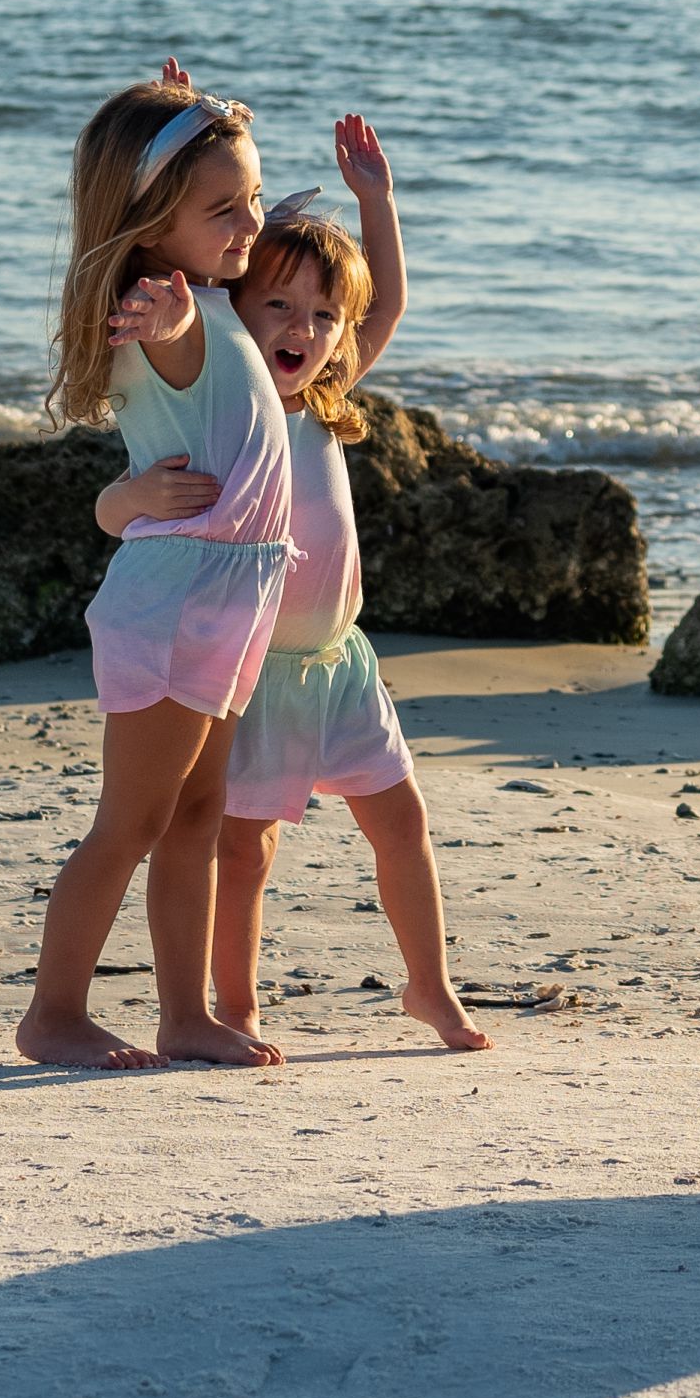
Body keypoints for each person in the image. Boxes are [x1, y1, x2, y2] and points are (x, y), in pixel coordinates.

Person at [12, 78, 299, 1072]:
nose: (251, 223)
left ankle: (186, 1015)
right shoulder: (165, 310)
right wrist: (168, 311)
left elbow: (210, 243)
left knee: (197, 814)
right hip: (179, 599)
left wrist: (195, 114)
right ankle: (54, 1012)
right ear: (150, 225)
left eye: (251, 197)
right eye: (225, 209)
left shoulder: (211, 293)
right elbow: (167, 329)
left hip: (229, 596)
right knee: (130, 820)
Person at [184, 148, 494, 1055]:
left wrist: (376, 199)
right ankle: (237, 1004)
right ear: (234, 305)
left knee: (402, 820)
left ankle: (429, 986)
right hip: (251, 672)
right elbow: (181, 277)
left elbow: (384, 305)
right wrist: (186, 144)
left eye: (323, 315)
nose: (304, 329)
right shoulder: (223, 399)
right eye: (279, 305)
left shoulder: (324, 397)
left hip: (342, 661)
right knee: (244, 850)